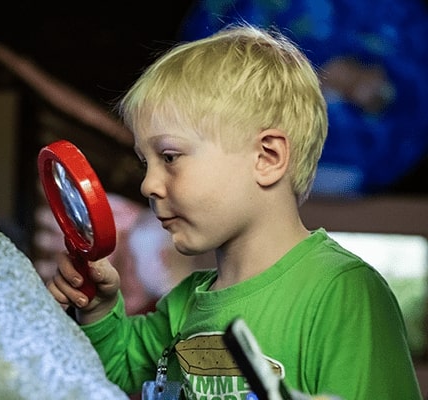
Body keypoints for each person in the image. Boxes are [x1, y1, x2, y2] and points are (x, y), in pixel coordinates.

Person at [46, 24, 421, 399]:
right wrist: (98, 310)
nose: (148, 185)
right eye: (146, 163)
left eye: (170, 157)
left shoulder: (345, 293)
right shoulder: (186, 300)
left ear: (267, 157)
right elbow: (118, 371)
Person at [178, 0, 428, 196]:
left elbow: (411, 95)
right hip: (244, 166)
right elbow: (193, 78)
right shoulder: (229, 10)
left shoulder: (397, 12)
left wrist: (377, 91)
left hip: (354, 176)